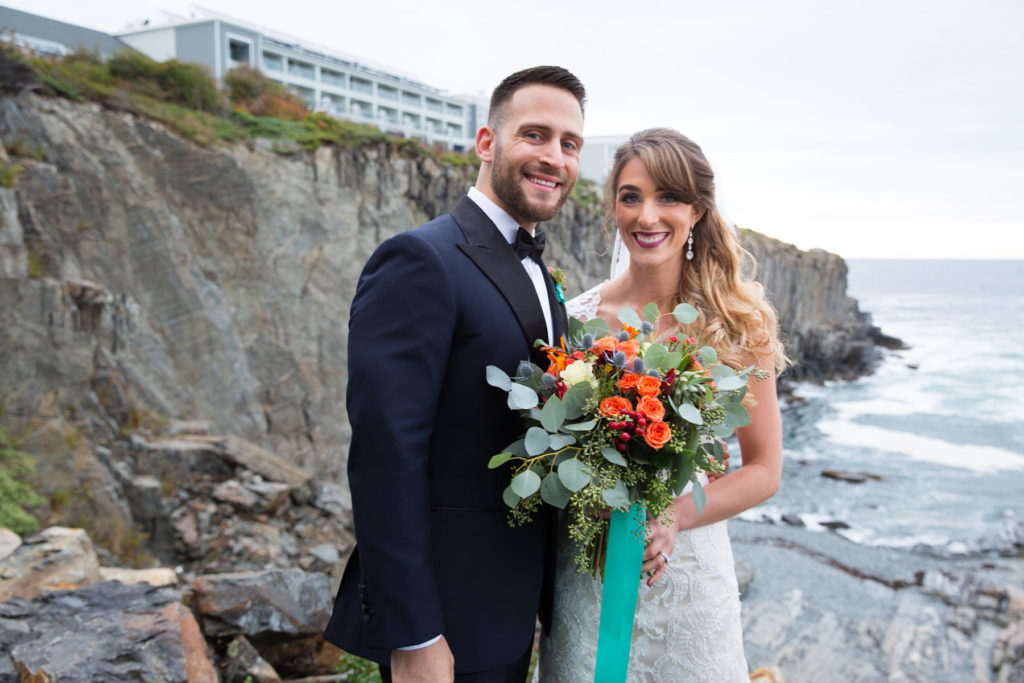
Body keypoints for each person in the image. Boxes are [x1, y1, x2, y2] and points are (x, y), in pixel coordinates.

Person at [324, 66, 586, 683]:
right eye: (535, 135)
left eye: (569, 143)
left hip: (516, 609)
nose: (554, 157)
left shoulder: (544, 281)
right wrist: (414, 631)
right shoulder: (420, 260)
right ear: (487, 142)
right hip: (447, 622)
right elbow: (386, 456)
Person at [536, 128, 786, 683]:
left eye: (668, 197)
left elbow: (766, 471)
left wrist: (670, 515)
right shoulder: (572, 323)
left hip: (692, 585)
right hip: (589, 578)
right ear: (614, 209)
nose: (647, 216)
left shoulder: (737, 328)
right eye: (631, 197)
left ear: (697, 209)